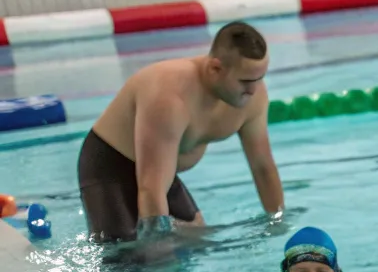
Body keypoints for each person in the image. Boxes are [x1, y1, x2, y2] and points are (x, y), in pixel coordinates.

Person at [79, 22, 284, 242]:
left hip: (158, 171)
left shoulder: (253, 98)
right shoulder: (171, 95)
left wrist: (279, 223)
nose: (253, 90)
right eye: (245, 81)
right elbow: (151, 186)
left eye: (259, 78)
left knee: (194, 238)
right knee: (128, 260)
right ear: (215, 68)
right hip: (111, 166)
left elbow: (263, 167)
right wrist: (159, 250)